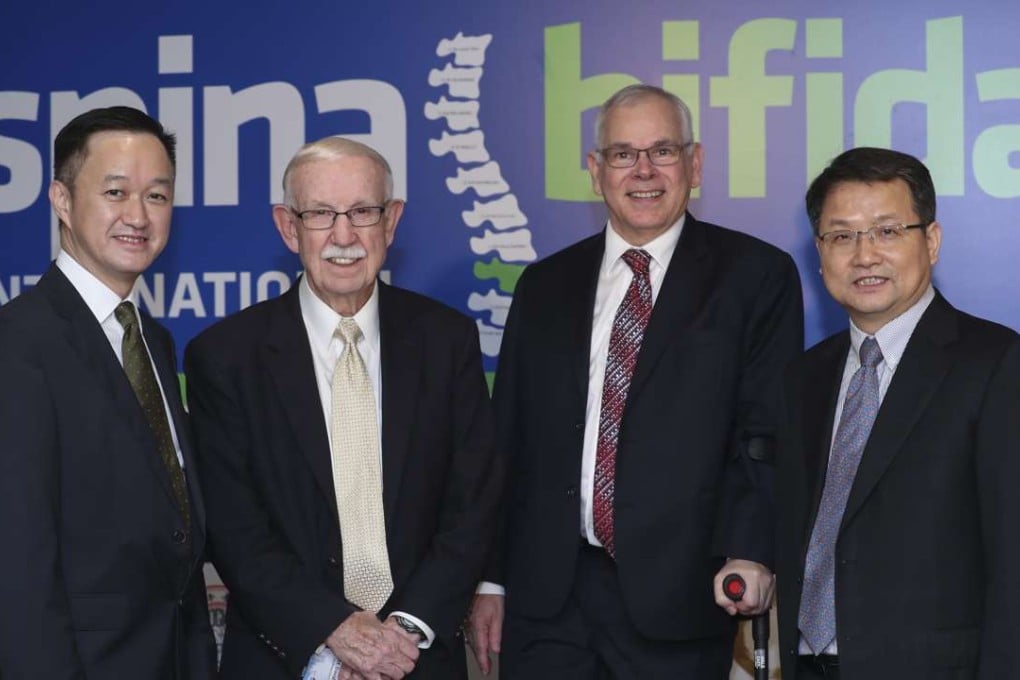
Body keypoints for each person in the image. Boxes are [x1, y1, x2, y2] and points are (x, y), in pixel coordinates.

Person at [468, 84, 804, 679]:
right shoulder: (544, 285)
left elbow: (766, 432)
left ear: (695, 164)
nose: (643, 170)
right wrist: (490, 577)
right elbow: (507, 440)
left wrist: (750, 550)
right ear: (596, 171)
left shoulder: (756, 276)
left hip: (679, 598)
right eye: (623, 154)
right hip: (547, 600)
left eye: (663, 151)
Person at [184, 136, 502, 680]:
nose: (344, 235)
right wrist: (336, 631)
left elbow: (473, 503)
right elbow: (235, 530)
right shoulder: (224, 357)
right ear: (288, 226)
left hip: (416, 658)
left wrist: (398, 635)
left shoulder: (446, 340)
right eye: (320, 214)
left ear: (392, 221)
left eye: (362, 211)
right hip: (284, 655)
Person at [775, 147, 1020, 679]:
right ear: (819, 253)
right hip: (809, 664)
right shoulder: (803, 378)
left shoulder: (996, 364)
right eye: (842, 236)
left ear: (930, 241)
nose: (864, 255)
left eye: (887, 231)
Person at [0, 106, 216, 678]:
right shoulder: (17, 344)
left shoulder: (154, 341)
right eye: (116, 191)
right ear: (62, 200)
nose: (138, 216)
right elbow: (18, 565)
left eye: (157, 196)